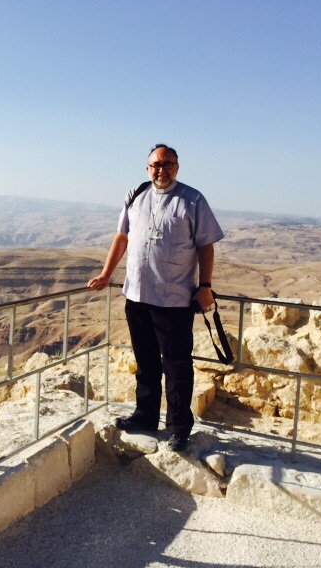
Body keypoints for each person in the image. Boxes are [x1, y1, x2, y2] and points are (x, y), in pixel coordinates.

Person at [88, 144, 224, 452]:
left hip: (174, 297)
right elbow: (122, 236)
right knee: (145, 361)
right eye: (154, 165)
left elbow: (206, 245)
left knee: (177, 366)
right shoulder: (136, 194)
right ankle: (145, 417)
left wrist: (205, 285)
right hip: (136, 293)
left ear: (177, 167)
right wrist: (107, 273)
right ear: (147, 168)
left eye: (167, 164)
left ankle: (179, 427)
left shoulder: (193, 199)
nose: (160, 170)